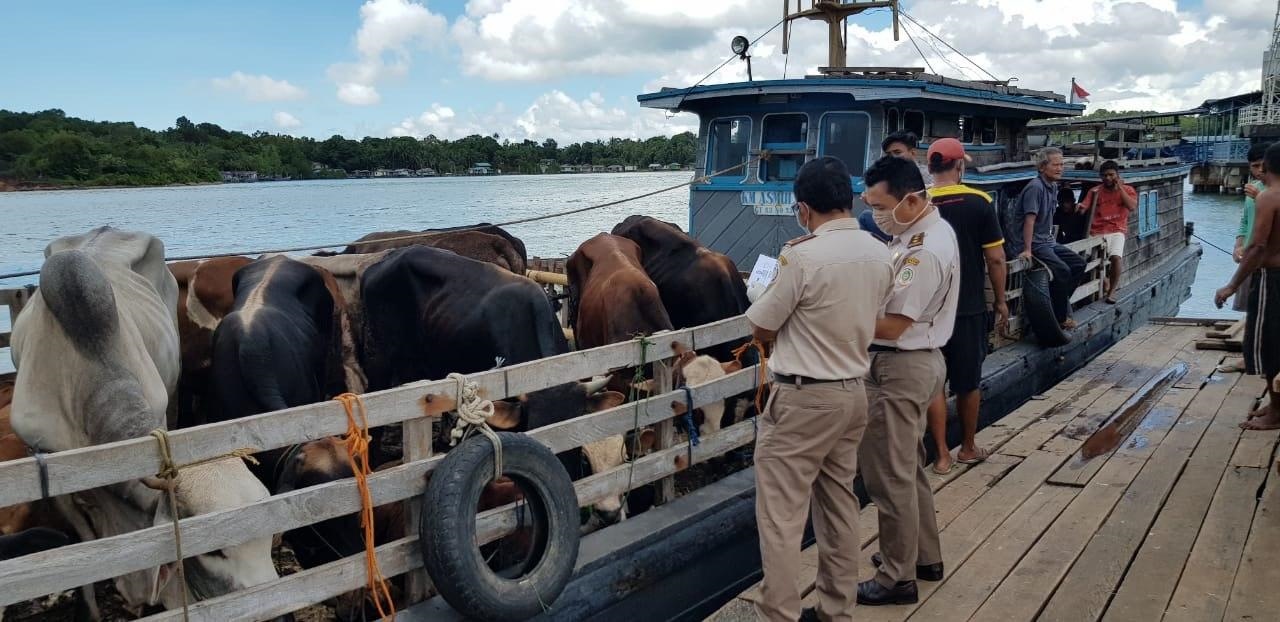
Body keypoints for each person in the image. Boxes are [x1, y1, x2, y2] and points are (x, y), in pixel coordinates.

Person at [745, 156, 894, 622]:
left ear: (804, 209)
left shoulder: (800, 256)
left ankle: (781, 614)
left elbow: (760, 326)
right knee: (839, 507)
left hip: (803, 398)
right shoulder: (880, 252)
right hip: (852, 392)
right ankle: (836, 609)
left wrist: (764, 289)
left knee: (782, 518)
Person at [856, 155, 959, 606]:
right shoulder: (923, 233)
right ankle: (923, 557)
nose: (876, 215)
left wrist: (836, 317)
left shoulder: (923, 251)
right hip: (915, 362)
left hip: (900, 365)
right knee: (907, 466)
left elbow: (893, 326)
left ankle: (896, 577)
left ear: (912, 199)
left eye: (881, 206)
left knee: (888, 475)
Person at [920, 138, 1007, 475]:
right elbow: (996, 259)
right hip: (968, 307)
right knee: (968, 381)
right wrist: (999, 301)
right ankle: (968, 448)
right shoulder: (980, 202)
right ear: (959, 167)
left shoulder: (918, 204)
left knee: (934, 383)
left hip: (928, 311)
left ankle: (941, 454)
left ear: (930, 168)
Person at [1217, 142, 1280, 431]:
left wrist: (1231, 285)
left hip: (1273, 277)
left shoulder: (1269, 198)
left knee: (1267, 344)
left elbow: (1256, 249)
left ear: (1267, 166)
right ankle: (1276, 404)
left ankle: (1277, 411)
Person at [1011, 147, 1086, 330]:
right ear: (1043, 167)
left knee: (1078, 264)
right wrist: (1027, 249)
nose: (1060, 168)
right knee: (1062, 271)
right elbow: (1029, 220)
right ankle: (1060, 317)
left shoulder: (1053, 186)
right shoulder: (1035, 188)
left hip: (1048, 241)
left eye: (1062, 164)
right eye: (1055, 165)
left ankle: (1054, 302)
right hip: (1034, 243)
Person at [1221, 143, 1272, 374]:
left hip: (1268, 258)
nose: (1259, 170)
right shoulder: (1254, 190)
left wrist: (1260, 196)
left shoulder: (1269, 193)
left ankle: (1264, 360)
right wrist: (1238, 244)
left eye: (1263, 165)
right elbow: (1244, 221)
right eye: (1254, 166)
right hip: (1250, 255)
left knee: (1268, 312)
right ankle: (1248, 357)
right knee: (1250, 309)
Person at [1080, 161, 1138, 304]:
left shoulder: (1128, 190)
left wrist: (1120, 189)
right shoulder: (1095, 191)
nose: (1108, 178)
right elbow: (1083, 208)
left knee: (1116, 258)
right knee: (1083, 259)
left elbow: (1131, 206)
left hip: (1116, 230)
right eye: (1105, 175)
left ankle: (1112, 291)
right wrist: (1079, 208)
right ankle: (1097, 285)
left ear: (1117, 175)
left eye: (1111, 175)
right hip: (1096, 231)